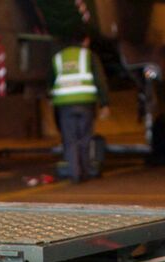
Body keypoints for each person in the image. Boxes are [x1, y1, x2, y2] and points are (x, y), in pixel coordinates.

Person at [51, 35, 109, 182]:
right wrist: (104, 103)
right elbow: (100, 80)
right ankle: (85, 171)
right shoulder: (89, 56)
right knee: (85, 138)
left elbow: (50, 81)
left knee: (70, 140)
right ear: (86, 40)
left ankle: (75, 174)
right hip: (85, 102)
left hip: (65, 104)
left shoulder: (58, 57)